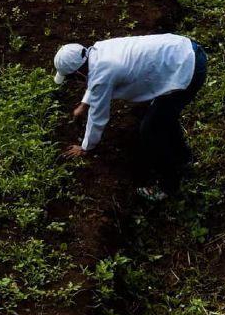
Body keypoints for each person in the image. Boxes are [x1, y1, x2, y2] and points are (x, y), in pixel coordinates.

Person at [52, 33, 208, 200]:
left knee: (151, 130)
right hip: (183, 49)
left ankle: (169, 186)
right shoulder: (99, 49)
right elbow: (96, 76)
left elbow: (98, 117)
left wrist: (85, 146)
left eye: (71, 78)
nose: (74, 82)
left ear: (77, 73)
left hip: (188, 68)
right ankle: (184, 161)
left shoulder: (101, 75)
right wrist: (85, 104)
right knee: (164, 118)